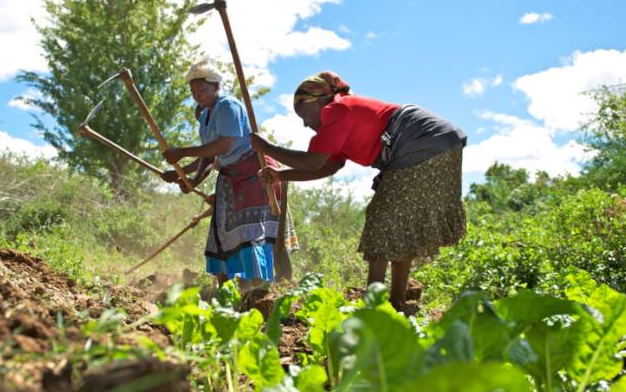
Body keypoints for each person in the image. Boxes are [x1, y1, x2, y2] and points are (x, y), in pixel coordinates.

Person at [251, 71, 467, 311]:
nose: (305, 124)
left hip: (422, 142)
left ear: (320, 103)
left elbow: (312, 162)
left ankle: (373, 304)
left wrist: (267, 148)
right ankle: (395, 302)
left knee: (382, 220)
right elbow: (327, 166)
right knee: (404, 224)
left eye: (304, 116)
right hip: (440, 142)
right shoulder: (338, 120)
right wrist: (281, 175)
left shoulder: (336, 110)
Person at [161, 58, 283, 287]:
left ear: (216, 87)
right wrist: (189, 180)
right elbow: (208, 157)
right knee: (225, 229)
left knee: (250, 230)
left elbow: (224, 146)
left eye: (202, 90)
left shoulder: (228, 106)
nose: (197, 95)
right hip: (232, 176)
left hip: (255, 174)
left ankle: (257, 285)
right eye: (193, 91)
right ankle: (230, 283)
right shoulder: (205, 115)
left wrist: (183, 152)